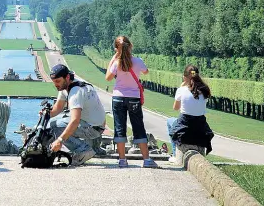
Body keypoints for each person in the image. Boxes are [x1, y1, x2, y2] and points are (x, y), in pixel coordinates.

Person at [105, 36, 157, 168]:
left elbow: (108, 78)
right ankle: (146, 159)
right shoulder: (138, 61)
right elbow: (146, 72)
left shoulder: (117, 63)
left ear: (117, 49)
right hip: (134, 98)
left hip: (118, 98)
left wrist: (114, 57)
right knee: (139, 127)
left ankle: (122, 160)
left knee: (119, 128)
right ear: (131, 46)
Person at [47, 64, 105, 166]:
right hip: (93, 123)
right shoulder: (67, 85)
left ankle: (83, 150)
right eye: (54, 82)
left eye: (58, 81)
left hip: (93, 128)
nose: (56, 84)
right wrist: (46, 114)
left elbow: (75, 120)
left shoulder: (75, 91)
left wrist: (60, 140)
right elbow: (58, 108)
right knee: (53, 122)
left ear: (67, 77)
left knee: (55, 126)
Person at [166, 65, 214, 162]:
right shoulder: (205, 90)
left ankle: (175, 154)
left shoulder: (181, 90)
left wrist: (181, 88)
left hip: (185, 125)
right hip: (200, 126)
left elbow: (175, 108)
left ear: (185, 77)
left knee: (169, 121)